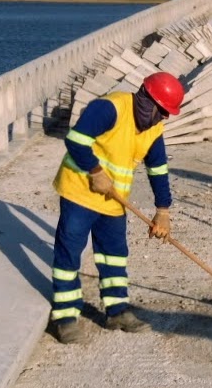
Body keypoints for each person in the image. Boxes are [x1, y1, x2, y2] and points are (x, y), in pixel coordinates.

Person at [46, 72, 185, 343]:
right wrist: (95, 170)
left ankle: (117, 311)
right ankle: (64, 318)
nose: (163, 118)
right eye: (162, 111)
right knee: (69, 255)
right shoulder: (110, 108)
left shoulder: (153, 128)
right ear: (149, 101)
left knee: (114, 255)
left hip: (113, 200)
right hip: (80, 192)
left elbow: (157, 168)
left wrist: (163, 210)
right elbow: (76, 139)